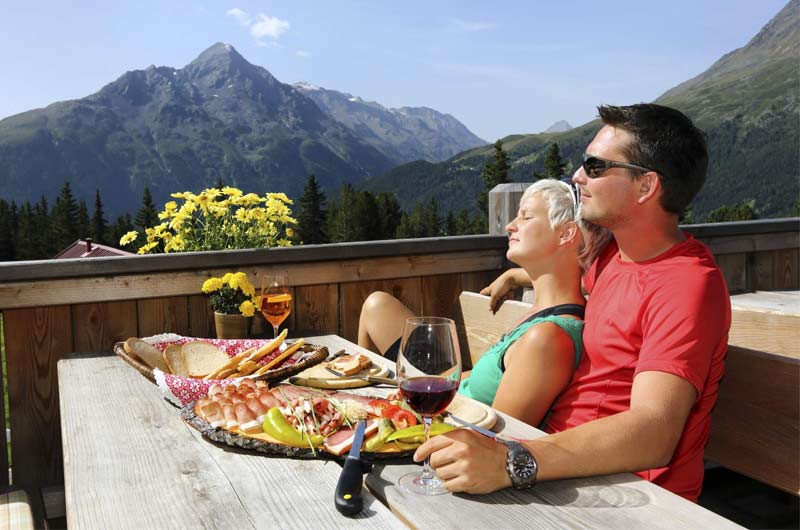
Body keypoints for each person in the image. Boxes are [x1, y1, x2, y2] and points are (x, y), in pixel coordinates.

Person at [414, 103, 731, 502]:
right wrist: (517, 275)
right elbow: (579, 278)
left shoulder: (686, 284)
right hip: (562, 467)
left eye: (596, 167)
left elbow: (655, 431)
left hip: (631, 494)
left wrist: (511, 459)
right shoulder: (614, 257)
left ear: (646, 186)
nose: (578, 176)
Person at [359, 179, 591, 427]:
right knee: (377, 306)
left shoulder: (546, 339)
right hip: (444, 411)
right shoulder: (541, 316)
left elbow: (495, 440)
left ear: (566, 233)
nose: (511, 226)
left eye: (526, 217)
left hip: (445, 433)